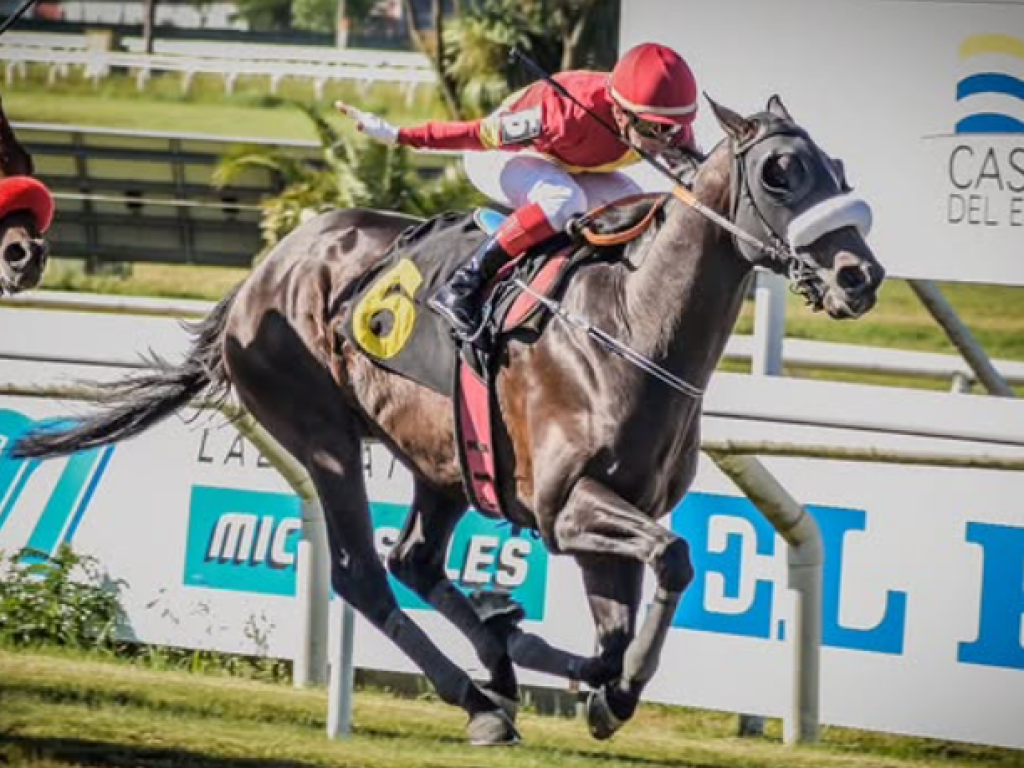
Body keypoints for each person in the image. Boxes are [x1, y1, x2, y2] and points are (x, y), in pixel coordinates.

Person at [336, 42, 699, 338]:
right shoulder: (560, 115)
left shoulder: (668, 123)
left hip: (574, 164)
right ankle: (464, 284)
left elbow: (693, 175)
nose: (667, 140)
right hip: (500, 157)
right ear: (621, 112)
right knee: (563, 200)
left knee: (638, 209)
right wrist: (400, 135)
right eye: (654, 130)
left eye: (673, 129)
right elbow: (474, 134)